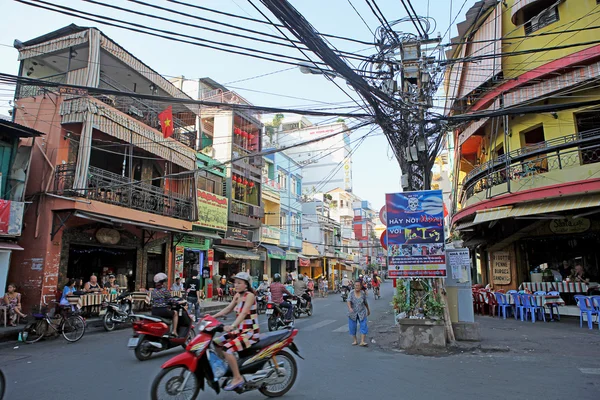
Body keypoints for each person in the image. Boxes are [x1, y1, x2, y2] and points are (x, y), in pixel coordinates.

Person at [212, 272, 260, 391]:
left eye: (239, 283)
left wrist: (233, 326)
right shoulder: (237, 295)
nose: (236, 285)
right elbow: (228, 308)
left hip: (250, 332)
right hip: (240, 331)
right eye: (235, 282)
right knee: (216, 342)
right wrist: (212, 317)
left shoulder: (250, 296)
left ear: (246, 285)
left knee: (227, 349)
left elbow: (244, 313)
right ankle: (229, 367)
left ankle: (238, 377)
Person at [150, 272, 178, 337]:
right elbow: (170, 300)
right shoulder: (165, 291)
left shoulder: (153, 291)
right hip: (162, 310)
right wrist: (178, 302)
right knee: (175, 313)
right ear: (162, 282)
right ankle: (174, 331)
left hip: (154, 311)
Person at [347, 280, 370, 347]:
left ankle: (362, 341)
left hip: (362, 312)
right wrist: (350, 308)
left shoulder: (362, 293)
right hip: (352, 313)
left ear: (360, 286)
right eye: (355, 285)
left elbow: (365, 302)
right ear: (354, 286)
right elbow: (348, 301)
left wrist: (368, 310)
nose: (357, 287)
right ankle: (355, 340)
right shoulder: (351, 293)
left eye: (358, 285)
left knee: (363, 326)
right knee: (352, 327)